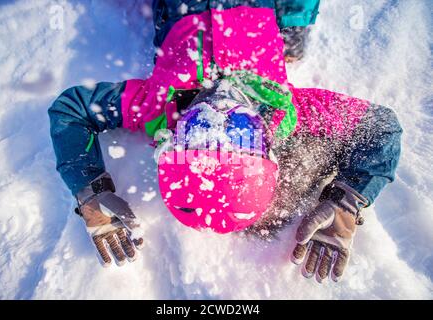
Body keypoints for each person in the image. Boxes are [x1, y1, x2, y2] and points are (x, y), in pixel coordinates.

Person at [48, 0, 402, 283]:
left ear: (172, 141)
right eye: (240, 136)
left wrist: (90, 188)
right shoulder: (283, 110)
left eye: (198, 132)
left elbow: (71, 110)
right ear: (266, 145)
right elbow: (381, 127)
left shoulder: (157, 106)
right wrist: (346, 199)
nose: (218, 111)